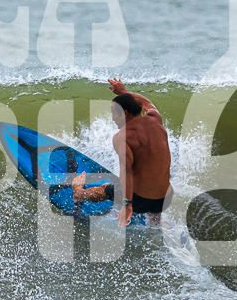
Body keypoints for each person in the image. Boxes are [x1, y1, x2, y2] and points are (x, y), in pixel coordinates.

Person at [71, 79, 173, 226]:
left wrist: (127, 204)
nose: (113, 118)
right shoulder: (155, 118)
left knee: (105, 189)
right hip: (165, 197)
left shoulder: (122, 137)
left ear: (125, 113)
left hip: (139, 200)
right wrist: (124, 91)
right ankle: (155, 222)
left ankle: (78, 193)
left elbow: (127, 171)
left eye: (114, 114)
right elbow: (145, 101)